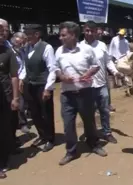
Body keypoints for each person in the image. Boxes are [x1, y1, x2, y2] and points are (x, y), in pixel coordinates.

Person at [54, 21, 107, 166]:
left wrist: (88, 73)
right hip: (67, 95)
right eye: (60, 35)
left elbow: (96, 65)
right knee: (68, 124)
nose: (60, 37)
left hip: (85, 92)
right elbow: (55, 68)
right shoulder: (59, 51)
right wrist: (62, 77)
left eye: (63, 35)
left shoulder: (86, 49)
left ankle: (94, 144)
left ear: (73, 35)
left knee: (89, 121)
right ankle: (71, 151)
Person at [80, 21, 120, 143]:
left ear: (96, 31)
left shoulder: (102, 45)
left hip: (102, 84)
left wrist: (115, 72)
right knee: (89, 112)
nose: (89, 33)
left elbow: (108, 61)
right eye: (87, 30)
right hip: (87, 86)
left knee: (105, 110)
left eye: (91, 30)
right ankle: (91, 134)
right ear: (83, 31)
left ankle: (107, 132)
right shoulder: (79, 47)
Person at [20, 24, 56, 152]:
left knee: (46, 113)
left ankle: (50, 139)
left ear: (37, 34)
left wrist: (48, 88)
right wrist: (22, 78)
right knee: (35, 113)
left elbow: (52, 69)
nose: (27, 36)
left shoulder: (47, 47)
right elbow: (25, 65)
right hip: (30, 85)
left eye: (29, 34)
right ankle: (42, 135)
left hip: (42, 85)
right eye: (26, 34)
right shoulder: (27, 47)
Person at [0, 21, 20, 179]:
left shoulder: (7, 51)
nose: (2, 32)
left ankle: (2, 161)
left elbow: (14, 76)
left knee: (4, 129)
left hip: (4, 98)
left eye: (4, 30)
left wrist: (15, 97)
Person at [11, 32, 30, 134]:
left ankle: (23, 123)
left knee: (22, 103)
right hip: (12, 80)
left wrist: (21, 79)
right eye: (21, 41)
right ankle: (17, 123)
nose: (23, 43)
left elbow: (23, 67)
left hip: (21, 79)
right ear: (15, 41)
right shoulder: (10, 52)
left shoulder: (22, 51)